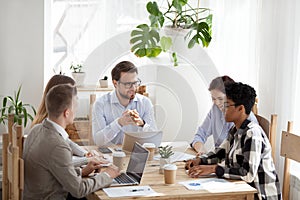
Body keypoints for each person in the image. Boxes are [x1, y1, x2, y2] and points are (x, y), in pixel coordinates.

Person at [185, 82, 281, 200]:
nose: (222, 109)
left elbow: (247, 174)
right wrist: (200, 160)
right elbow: (219, 153)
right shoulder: (235, 130)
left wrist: (213, 169)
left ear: (240, 108)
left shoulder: (252, 133)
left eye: (227, 105)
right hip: (242, 191)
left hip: (259, 195)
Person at [23, 84, 120, 199]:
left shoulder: (36, 129)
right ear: (67, 113)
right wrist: (107, 175)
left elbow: (53, 171)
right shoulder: (57, 146)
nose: (77, 112)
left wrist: (82, 172)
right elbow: (79, 190)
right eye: (76, 108)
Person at [31, 74, 94, 167]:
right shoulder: (47, 126)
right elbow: (62, 164)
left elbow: (66, 142)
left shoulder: (50, 121)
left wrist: (84, 153)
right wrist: (87, 160)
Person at [92, 61, 157, 146]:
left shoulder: (145, 103)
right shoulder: (100, 104)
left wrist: (142, 124)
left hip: (137, 154)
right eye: (128, 84)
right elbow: (98, 141)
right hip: (110, 156)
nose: (133, 88)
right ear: (115, 83)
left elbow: (155, 139)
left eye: (135, 83)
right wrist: (119, 123)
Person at [191, 76, 257, 154]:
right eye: (213, 99)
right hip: (221, 159)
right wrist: (202, 152)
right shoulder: (215, 110)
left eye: (221, 99)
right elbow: (201, 134)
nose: (216, 103)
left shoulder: (249, 125)